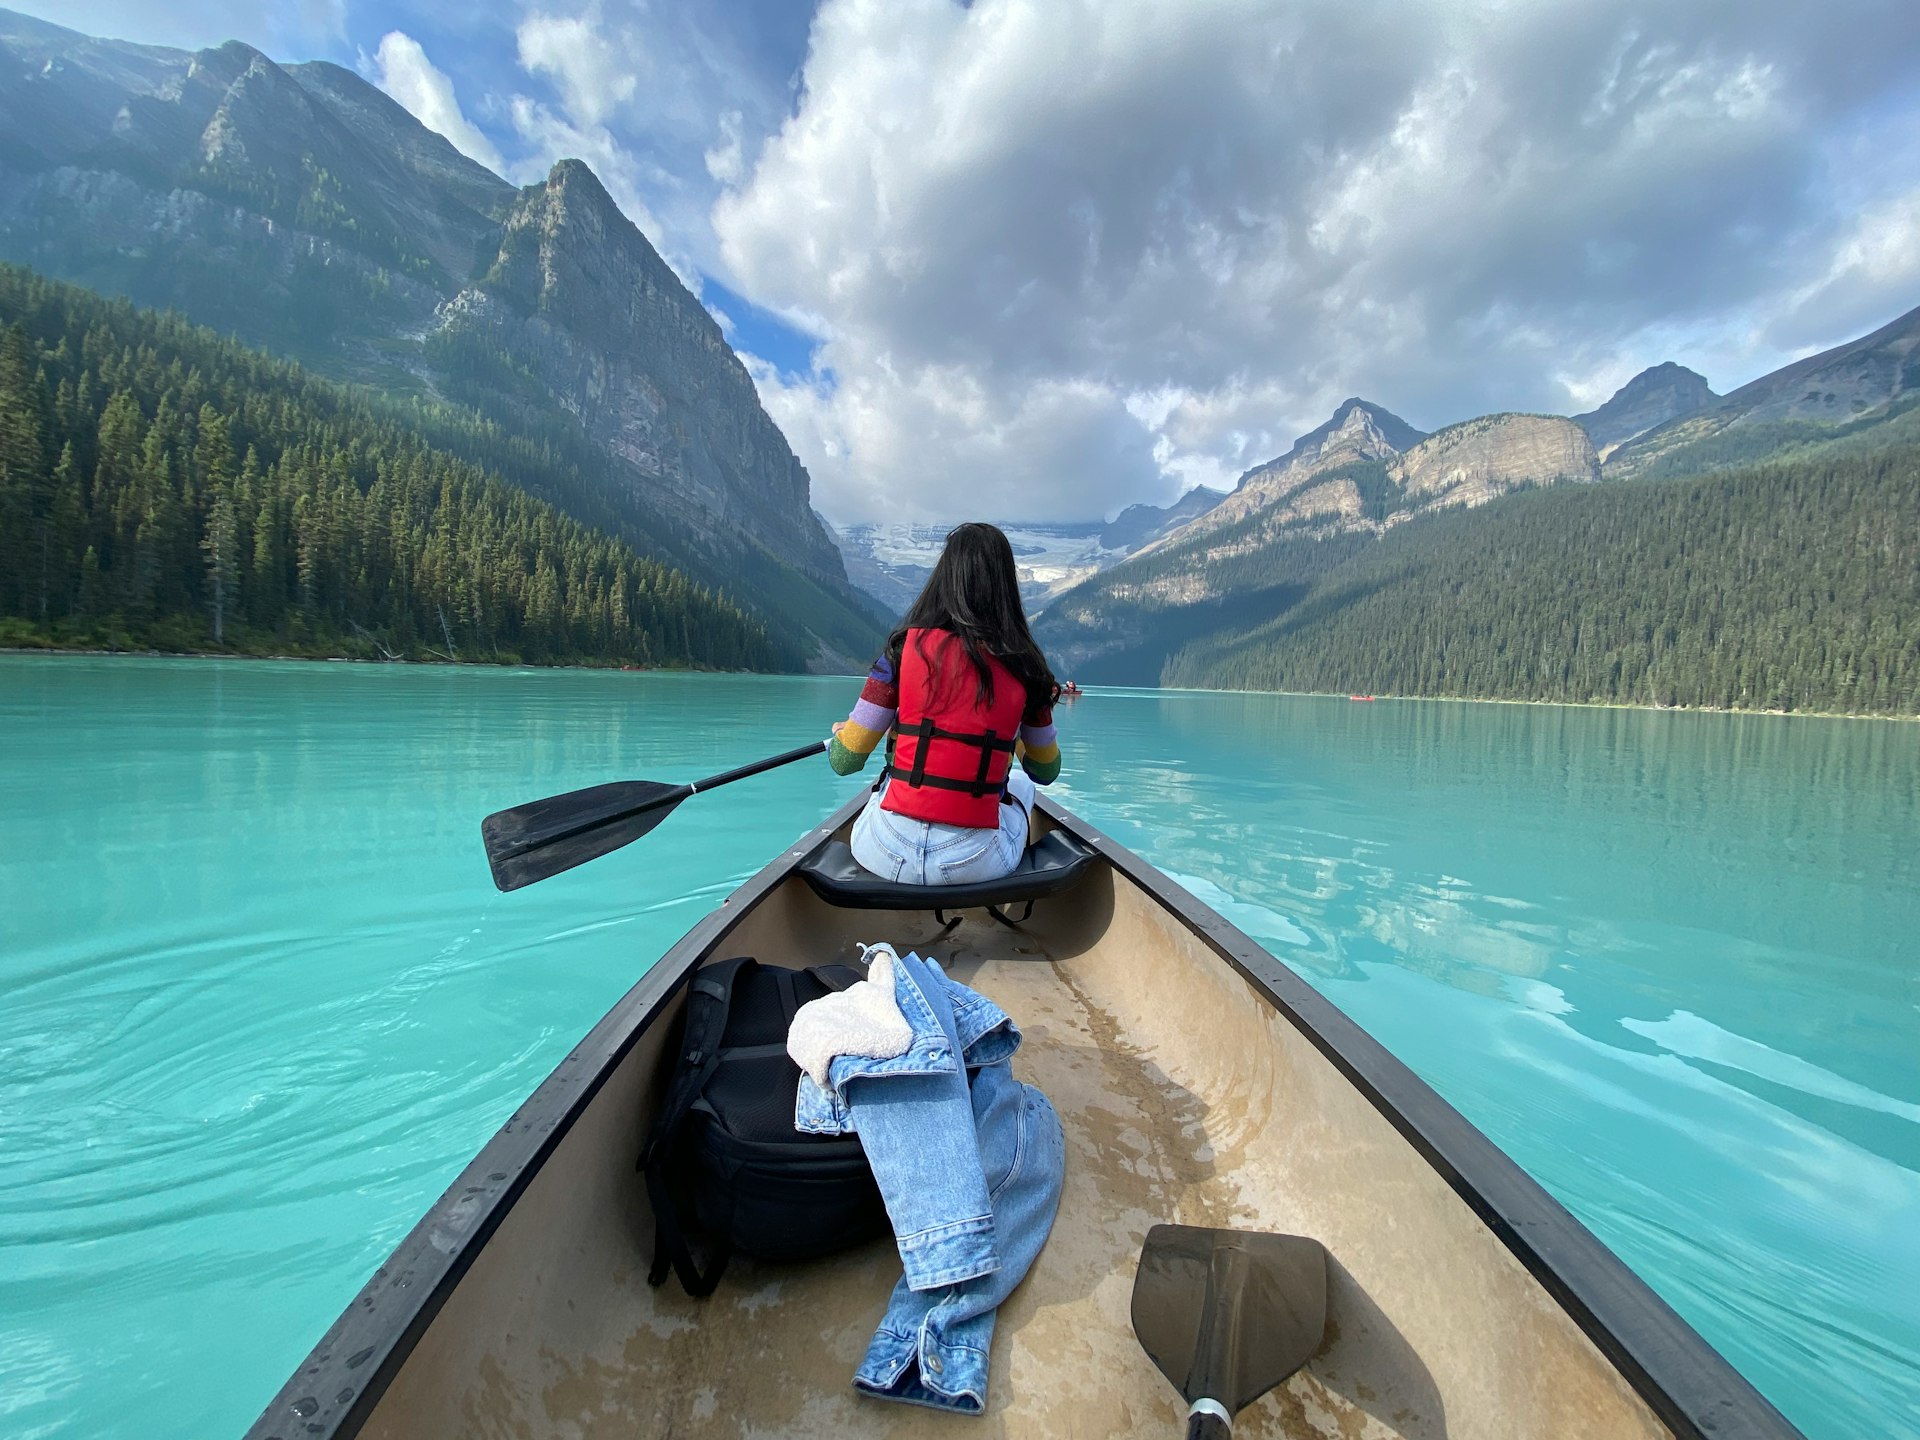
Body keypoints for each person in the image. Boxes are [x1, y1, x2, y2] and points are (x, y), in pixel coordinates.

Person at [828, 523, 1062, 886]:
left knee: (883, 789)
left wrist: (845, 735)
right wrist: (1009, 738)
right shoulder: (1027, 667)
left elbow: (845, 761)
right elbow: (1045, 771)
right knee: (1022, 786)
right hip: (975, 862)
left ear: (944, 577)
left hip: (885, 852)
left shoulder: (901, 652)